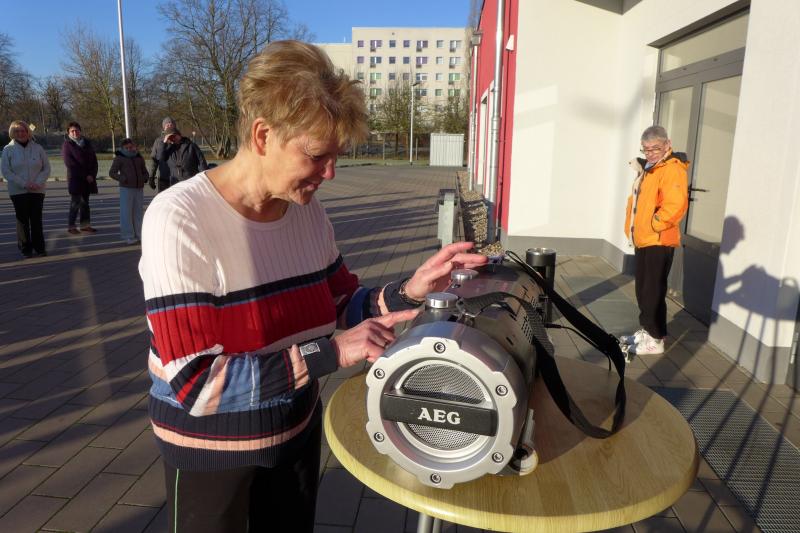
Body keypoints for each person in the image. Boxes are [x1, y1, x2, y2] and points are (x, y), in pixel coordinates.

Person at [138, 40, 487, 533]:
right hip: (209, 452)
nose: (330, 173)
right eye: (318, 155)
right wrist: (330, 353)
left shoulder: (306, 211)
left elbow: (340, 304)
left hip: (295, 432)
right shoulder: (180, 218)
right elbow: (196, 385)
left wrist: (410, 289)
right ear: (263, 135)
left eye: (336, 156)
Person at [621, 125, 689, 355]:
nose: (650, 153)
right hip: (644, 239)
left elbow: (675, 204)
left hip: (658, 240)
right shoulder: (649, 168)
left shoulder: (672, 169)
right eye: (646, 149)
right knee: (643, 290)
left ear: (667, 144)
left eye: (655, 148)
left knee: (652, 292)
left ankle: (655, 339)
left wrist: (654, 224)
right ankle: (647, 331)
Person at [1, 120, 50, 258]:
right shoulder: (8, 149)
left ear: (28, 132)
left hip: (37, 189)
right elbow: (6, 171)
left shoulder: (38, 148)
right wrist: (24, 183)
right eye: (17, 131)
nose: (21, 133)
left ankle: (40, 248)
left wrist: (37, 182)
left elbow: (46, 168)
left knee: (36, 219)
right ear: (12, 133)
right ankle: (25, 248)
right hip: (18, 191)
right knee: (22, 220)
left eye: (23, 131)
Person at [61, 122, 99, 234]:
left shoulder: (87, 143)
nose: (75, 132)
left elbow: (94, 161)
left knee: (85, 203)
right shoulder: (67, 145)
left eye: (76, 130)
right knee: (75, 203)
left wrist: (92, 175)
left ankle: (85, 225)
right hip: (76, 178)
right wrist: (85, 175)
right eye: (72, 131)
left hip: (88, 179)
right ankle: (71, 226)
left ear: (80, 131)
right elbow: (70, 163)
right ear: (68, 133)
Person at [109, 138, 148, 245]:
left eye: (131, 147)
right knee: (126, 213)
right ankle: (128, 235)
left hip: (139, 188)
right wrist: (123, 178)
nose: (129, 149)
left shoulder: (139, 157)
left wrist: (144, 178)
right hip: (126, 188)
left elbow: (145, 171)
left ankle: (139, 234)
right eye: (126, 148)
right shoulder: (119, 158)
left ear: (134, 146)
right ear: (122, 148)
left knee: (138, 213)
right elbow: (112, 173)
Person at [149, 116, 175, 192]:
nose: (169, 126)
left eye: (171, 124)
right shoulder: (158, 141)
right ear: (164, 127)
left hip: (177, 178)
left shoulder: (179, 140)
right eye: (167, 125)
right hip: (163, 178)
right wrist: (151, 177)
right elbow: (154, 160)